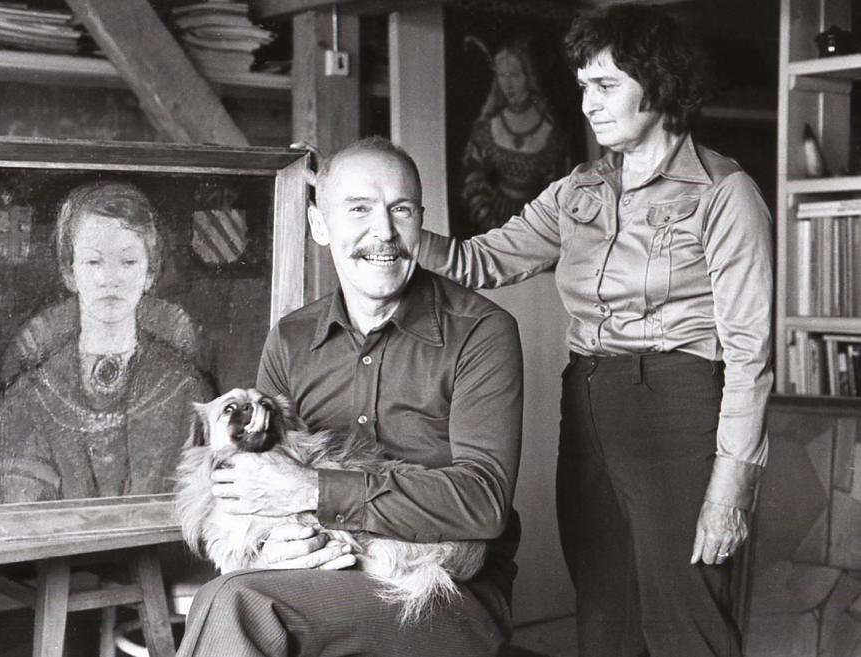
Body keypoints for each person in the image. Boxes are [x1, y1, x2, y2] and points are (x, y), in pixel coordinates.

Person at [421, 5, 772, 657]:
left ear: (659, 83)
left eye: (606, 85)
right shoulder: (577, 190)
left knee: (686, 618)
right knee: (604, 614)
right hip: (586, 401)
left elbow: (750, 357)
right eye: (583, 86)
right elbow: (479, 260)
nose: (587, 104)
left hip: (679, 406)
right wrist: (396, 233)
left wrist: (732, 485)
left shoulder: (724, 193)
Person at [176, 137, 524, 657]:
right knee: (235, 593)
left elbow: (484, 501)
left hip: (443, 589)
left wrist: (314, 490)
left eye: (401, 210)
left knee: (236, 603)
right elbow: (260, 484)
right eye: (359, 209)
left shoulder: (481, 331)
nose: (384, 231)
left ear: (420, 221)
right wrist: (276, 547)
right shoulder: (291, 339)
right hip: (325, 571)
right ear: (319, 225)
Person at [0, 181, 213, 505]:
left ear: (150, 273)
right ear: (69, 272)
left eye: (128, 262)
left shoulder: (183, 389)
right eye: (94, 262)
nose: (110, 279)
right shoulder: (29, 397)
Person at [461, 38, 570, 235]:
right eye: (502, 75)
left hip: (537, 222)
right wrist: (487, 218)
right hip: (494, 221)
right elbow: (473, 176)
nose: (508, 84)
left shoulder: (549, 130)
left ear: (528, 77)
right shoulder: (489, 126)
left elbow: (558, 187)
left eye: (515, 75)